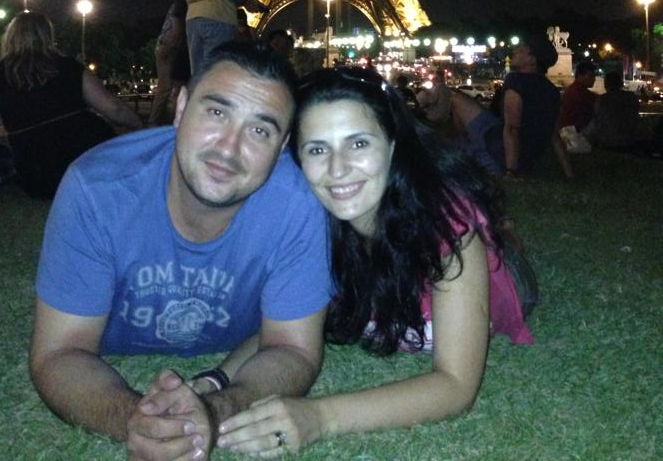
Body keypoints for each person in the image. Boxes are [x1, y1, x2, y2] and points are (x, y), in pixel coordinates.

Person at [29, 41, 331, 460]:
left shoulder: (297, 203)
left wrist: (215, 410)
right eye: (217, 112)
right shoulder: (96, 188)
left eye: (260, 130)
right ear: (181, 106)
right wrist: (136, 420)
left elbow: (294, 349)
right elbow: (60, 353)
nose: (229, 147)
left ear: (281, 149)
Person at [213, 65, 535, 455]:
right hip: (392, 274)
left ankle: (502, 237)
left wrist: (319, 417)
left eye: (359, 144)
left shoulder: (445, 227)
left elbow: (455, 385)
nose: (337, 169)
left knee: (494, 246)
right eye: (317, 149)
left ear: (392, 146)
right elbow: (285, 328)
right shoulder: (312, 224)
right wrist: (214, 383)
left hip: (506, 280)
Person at [0, 12, 141, 201]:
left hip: (39, 175)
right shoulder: (69, 66)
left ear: (10, 37)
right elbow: (113, 108)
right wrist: (141, 127)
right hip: (90, 160)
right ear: (47, 36)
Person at [450, 35, 573, 179]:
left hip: (498, 152)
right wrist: (569, 174)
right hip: (524, 161)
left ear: (532, 60)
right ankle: (470, 146)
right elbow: (555, 137)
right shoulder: (552, 91)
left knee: (455, 98)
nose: (515, 51)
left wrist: (511, 172)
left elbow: (512, 128)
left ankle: (470, 146)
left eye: (522, 50)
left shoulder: (516, 80)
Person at [149, 0, 189, 126]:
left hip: (167, 45)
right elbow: (177, 29)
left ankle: (158, 123)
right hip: (170, 47)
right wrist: (169, 48)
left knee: (168, 89)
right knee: (167, 89)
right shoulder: (184, 0)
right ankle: (156, 124)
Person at [591, 71, 639, 149]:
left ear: (606, 84)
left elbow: (597, 118)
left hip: (607, 140)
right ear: (620, 83)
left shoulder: (602, 99)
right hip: (629, 139)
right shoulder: (631, 97)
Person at [560, 60, 598, 138]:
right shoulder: (582, 94)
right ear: (580, 76)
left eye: (594, 76)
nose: (594, 79)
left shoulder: (571, 90)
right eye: (591, 76)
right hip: (577, 134)